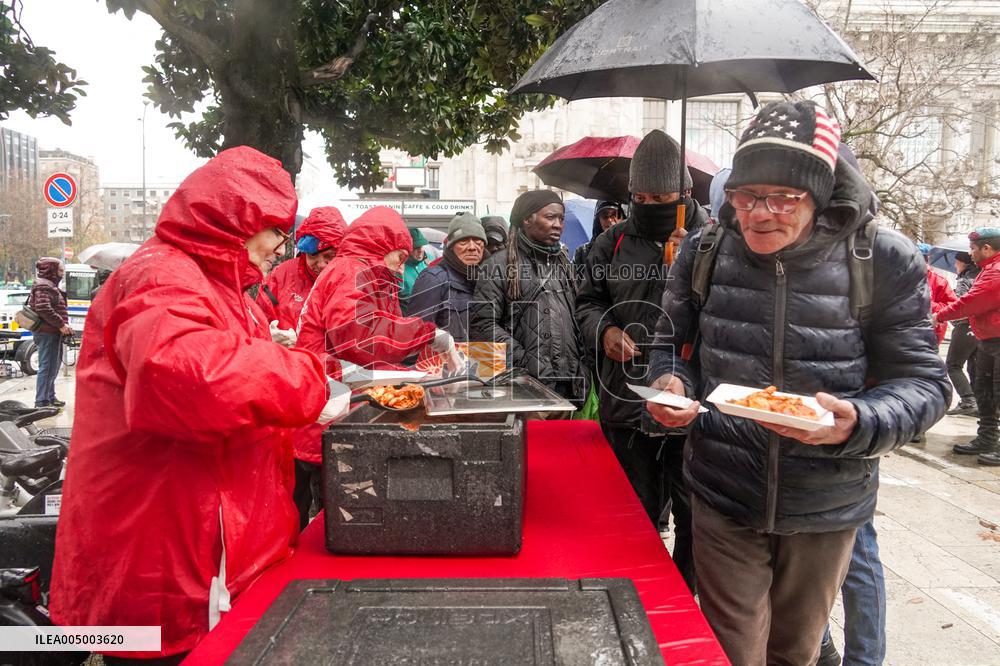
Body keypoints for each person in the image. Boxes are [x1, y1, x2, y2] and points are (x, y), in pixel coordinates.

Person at [645, 100, 950, 665]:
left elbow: (925, 383)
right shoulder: (705, 248)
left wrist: (860, 421)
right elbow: (670, 344)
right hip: (723, 489)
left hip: (826, 499)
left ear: (818, 194)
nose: (759, 214)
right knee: (730, 651)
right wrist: (670, 382)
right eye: (745, 196)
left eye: (783, 197)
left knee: (796, 651)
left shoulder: (881, 256)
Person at [50, 147, 348, 664]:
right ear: (240, 219)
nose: (282, 246)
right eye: (276, 230)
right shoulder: (163, 274)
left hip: (204, 550)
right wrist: (307, 379)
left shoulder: (219, 284)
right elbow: (188, 377)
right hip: (163, 557)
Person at [575, 130, 708, 592]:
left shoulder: (712, 242)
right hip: (627, 398)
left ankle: (685, 597)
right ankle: (641, 597)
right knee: (635, 511)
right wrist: (604, 330)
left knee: (693, 516)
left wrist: (691, 263)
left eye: (661, 198)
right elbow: (587, 301)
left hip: (690, 402)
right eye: (640, 198)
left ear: (685, 194)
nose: (648, 205)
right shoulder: (612, 242)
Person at [293, 206, 462, 526]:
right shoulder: (351, 271)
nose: (400, 266)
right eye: (399, 257)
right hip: (328, 409)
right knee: (336, 518)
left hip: (336, 403)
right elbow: (359, 340)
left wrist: (415, 371)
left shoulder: (366, 273)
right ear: (382, 246)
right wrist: (430, 336)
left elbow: (378, 342)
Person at [471, 190, 586, 404]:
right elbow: (482, 325)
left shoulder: (564, 266)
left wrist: (581, 367)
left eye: (561, 219)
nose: (558, 225)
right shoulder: (498, 265)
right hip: (522, 385)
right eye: (550, 217)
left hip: (568, 385)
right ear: (526, 219)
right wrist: (525, 361)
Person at [936, 228, 1000, 466]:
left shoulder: (996, 272)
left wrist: (938, 316)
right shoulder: (987, 270)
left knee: (997, 393)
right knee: (984, 392)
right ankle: (987, 439)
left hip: (997, 341)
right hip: (987, 341)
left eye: (973, 248)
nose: (970, 253)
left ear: (987, 248)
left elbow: (971, 302)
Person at [255, 206, 347, 336]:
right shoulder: (280, 276)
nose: (321, 265)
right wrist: (269, 337)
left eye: (329, 256)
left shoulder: (352, 280)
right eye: (312, 255)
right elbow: (258, 321)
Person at [407, 213, 487, 341]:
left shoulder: (490, 279)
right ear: (451, 246)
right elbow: (416, 334)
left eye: (478, 241)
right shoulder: (433, 278)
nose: (472, 247)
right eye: (464, 241)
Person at [27, 257, 72, 408]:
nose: (62, 273)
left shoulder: (49, 285)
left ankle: (50, 396)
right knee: (47, 367)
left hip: (52, 332)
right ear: (51, 270)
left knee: (53, 366)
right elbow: (43, 308)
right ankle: (42, 401)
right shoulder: (44, 286)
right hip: (47, 332)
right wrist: (61, 324)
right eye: (60, 270)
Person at [946, 250, 980, 416]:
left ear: (963, 263)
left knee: (953, 365)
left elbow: (961, 305)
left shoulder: (964, 280)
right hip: (981, 328)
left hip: (965, 325)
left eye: (956, 262)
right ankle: (980, 402)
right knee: (975, 366)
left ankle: (968, 401)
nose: (955, 265)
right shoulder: (982, 276)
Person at [918, 242, 957, 346]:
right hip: (903, 333)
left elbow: (951, 307)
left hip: (929, 334)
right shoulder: (900, 278)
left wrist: (927, 303)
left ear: (927, 259)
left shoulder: (939, 281)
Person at [572, 200, 625, 265]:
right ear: (598, 221)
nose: (609, 220)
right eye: (604, 216)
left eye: (614, 214)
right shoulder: (583, 253)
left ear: (623, 218)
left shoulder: (632, 247)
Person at [400, 227, 429, 303]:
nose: (420, 250)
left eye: (422, 246)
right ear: (406, 249)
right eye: (416, 247)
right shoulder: (398, 269)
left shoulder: (429, 260)